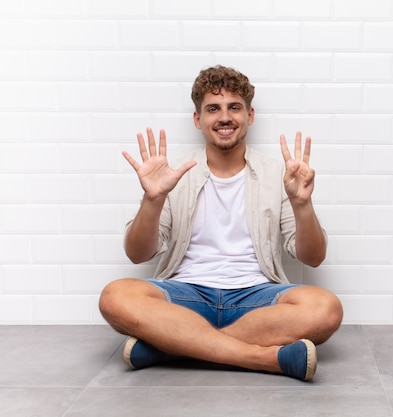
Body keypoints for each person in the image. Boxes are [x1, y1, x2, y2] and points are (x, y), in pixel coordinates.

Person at [98, 65, 343, 381]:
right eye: (213, 108)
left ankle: (174, 346)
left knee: (326, 308)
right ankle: (261, 358)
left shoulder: (277, 175)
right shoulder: (173, 175)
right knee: (114, 296)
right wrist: (153, 199)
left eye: (234, 108)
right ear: (198, 119)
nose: (224, 117)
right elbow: (137, 254)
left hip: (256, 297)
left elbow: (313, 257)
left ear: (249, 115)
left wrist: (302, 204)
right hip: (186, 295)